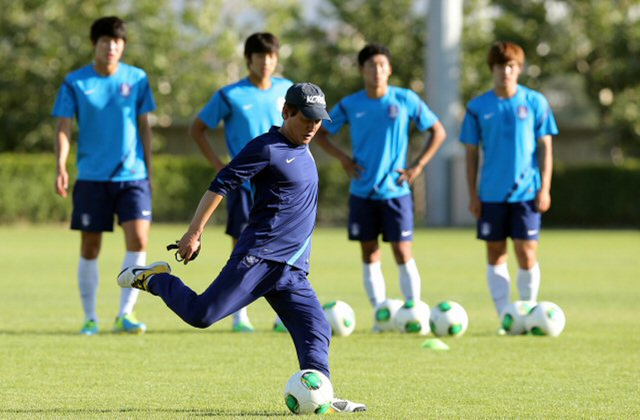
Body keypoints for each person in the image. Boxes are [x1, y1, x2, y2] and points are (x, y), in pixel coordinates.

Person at [117, 83, 366, 413]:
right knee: (201, 315)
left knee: (317, 328)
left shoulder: (305, 148)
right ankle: (155, 279)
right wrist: (193, 233)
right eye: (306, 118)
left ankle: (321, 394)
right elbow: (221, 183)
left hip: (291, 270)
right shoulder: (266, 148)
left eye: (318, 120)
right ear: (286, 112)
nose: (312, 126)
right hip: (258, 259)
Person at [315, 43, 446, 321]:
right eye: (371, 65)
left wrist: (418, 166)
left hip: (395, 191)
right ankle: (381, 312)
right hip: (362, 190)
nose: (377, 71)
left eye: (382, 65)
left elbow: (438, 131)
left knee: (402, 250)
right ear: (362, 70)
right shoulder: (351, 104)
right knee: (369, 251)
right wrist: (344, 159)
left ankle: (413, 311)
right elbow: (321, 132)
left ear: (389, 70)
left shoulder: (405, 99)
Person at [52, 16, 156, 335]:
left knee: (139, 239)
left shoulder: (137, 79)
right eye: (105, 41)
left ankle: (125, 314)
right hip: (92, 177)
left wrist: (149, 169)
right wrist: (61, 166)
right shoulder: (75, 82)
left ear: (123, 45)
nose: (111, 47)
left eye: (117, 41)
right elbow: (63, 127)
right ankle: (90, 317)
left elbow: (144, 126)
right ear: (94, 45)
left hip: (132, 175)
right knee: (90, 246)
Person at [189, 32, 292, 333]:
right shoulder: (230, 95)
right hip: (245, 186)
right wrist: (219, 165)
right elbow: (197, 129)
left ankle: (281, 316)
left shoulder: (288, 90)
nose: (266, 62)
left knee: (285, 244)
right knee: (243, 246)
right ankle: (240, 316)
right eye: (260, 56)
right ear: (249, 59)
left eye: (271, 56)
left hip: (281, 186)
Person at [459, 41, 558, 329]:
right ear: (493, 69)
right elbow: (470, 153)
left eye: (512, 66)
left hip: (527, 192)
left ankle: (527, 312)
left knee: (527, 252)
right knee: (495, 253)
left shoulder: (535, 102)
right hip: (490, 194)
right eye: (501, 66)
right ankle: (506, 317)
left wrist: (546, 187)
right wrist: (473, 194)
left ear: (519, 69)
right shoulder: (478, 107)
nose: (506, 71)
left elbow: (546, 147)